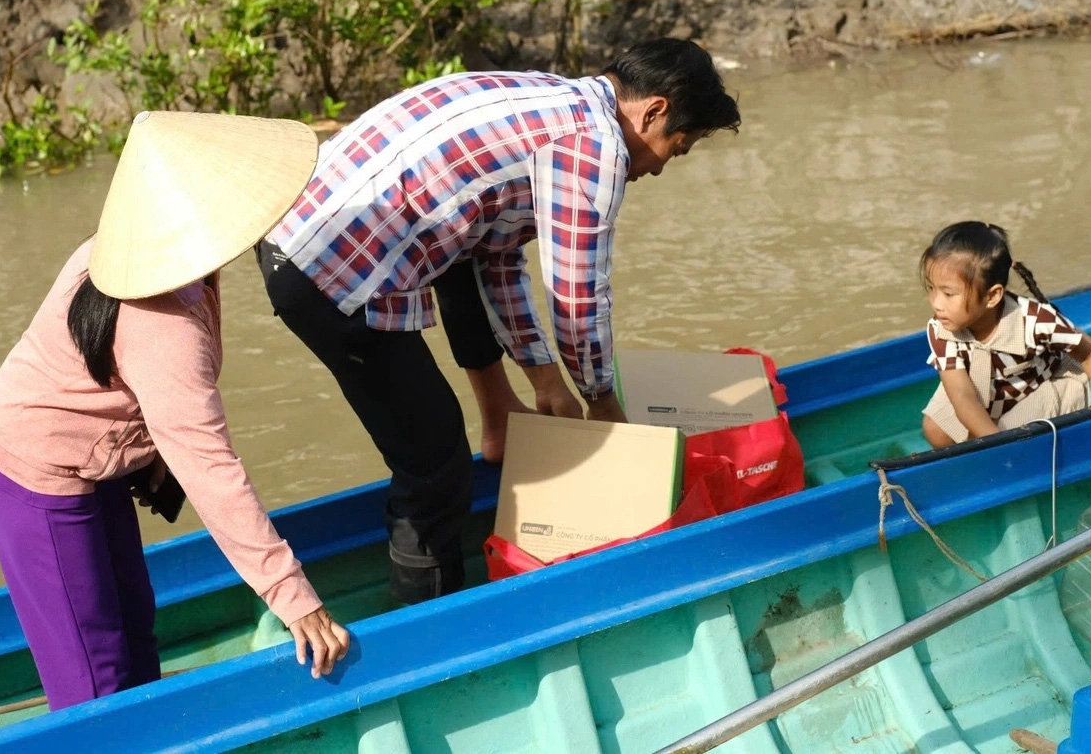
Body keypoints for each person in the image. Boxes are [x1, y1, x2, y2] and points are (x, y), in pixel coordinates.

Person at [257, 39, 741, 603]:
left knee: (464, 285)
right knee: (434, 463)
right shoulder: (596, 146)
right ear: (653, 111)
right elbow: (578, 297)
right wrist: (604, 405)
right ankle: (431, 628)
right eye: (672, 149)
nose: (657, 169)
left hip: (297, 233)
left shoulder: (553, 98)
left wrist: (544, 377)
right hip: (336, 268)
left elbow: (495, 255)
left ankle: (499, 422)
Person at [0, 111, 351, 711]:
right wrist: (292, 595)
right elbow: (209, 466)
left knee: (135, 628)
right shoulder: (163, 323)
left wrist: (148, 458)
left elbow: (122, 386)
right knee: (97, 676)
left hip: (96, 462)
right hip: (33, 470)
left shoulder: (149, 259)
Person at [918, 220, 1091, 448]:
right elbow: (962, 395)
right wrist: (995, 442)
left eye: (948, 293)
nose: (936, 304)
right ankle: (985, 463)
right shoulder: (942, 329)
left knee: (1015, 437)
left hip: (1040, 387)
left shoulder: (1036, 322)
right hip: (990, 390)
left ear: (992, 296)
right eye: (931, 288)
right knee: (935, 429)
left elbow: (1090, 354)